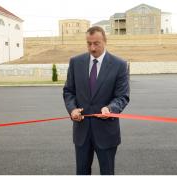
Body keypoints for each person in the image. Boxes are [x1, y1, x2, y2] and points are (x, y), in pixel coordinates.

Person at [63, 26, 129, 175]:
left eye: (96, 43)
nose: (92, 48)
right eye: (89, 43)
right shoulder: (75, 62)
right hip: (82, 132)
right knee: (82, 172)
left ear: (105, 41)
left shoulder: (119, 65)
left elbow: (122, 96)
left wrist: (111, 109)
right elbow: (69, 91)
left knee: (107, 172)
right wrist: (72, 108)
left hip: (106, 132)